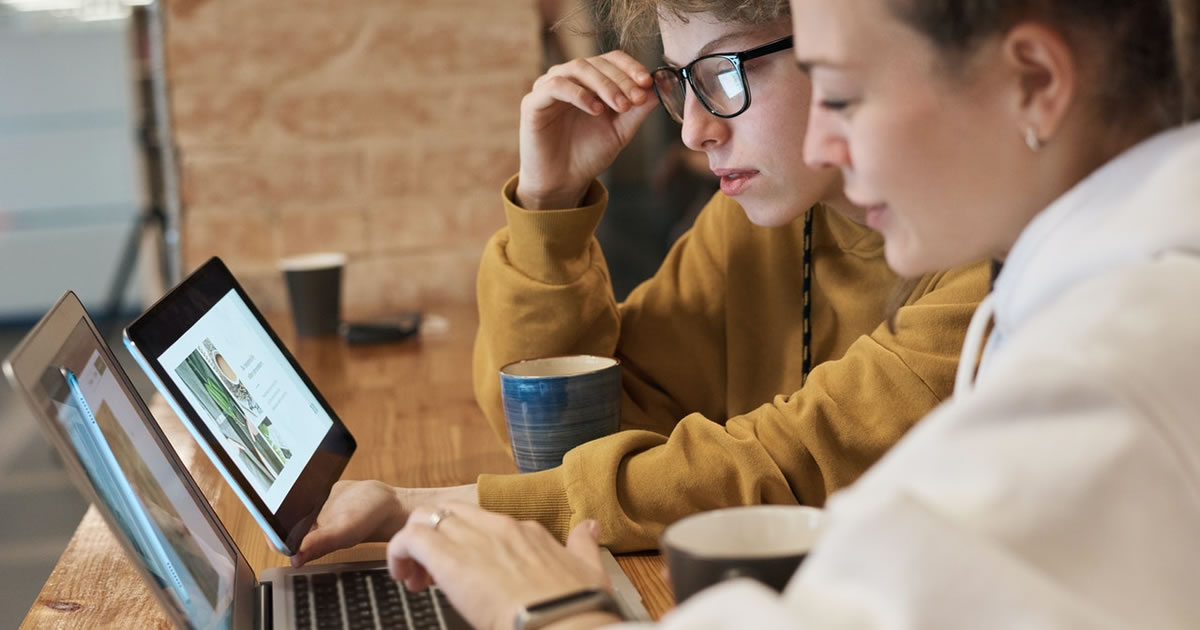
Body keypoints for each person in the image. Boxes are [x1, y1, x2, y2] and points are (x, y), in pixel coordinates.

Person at [358, 0, 1200, 628]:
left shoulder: (1117, 356)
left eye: (846, 92)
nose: (826, 144)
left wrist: (543, 603)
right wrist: (549, 207)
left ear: (1036, 81)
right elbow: (577, 431)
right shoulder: (1074, 294)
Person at [292, 0, 989, 561]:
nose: (693, 131)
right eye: (681, 81)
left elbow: (780, 465)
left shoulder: (991, 265)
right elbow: (563, 439)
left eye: (723, 73)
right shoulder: (757, 225)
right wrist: (548, 206)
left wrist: (427, 507)